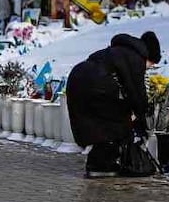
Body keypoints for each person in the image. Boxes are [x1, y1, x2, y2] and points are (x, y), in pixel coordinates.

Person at [66, 31, 161, 177]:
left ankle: (98, 164)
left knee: (97, 122)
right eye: (152, 63)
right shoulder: (135, 58)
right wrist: (141, 115)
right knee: (117, 121)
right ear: (149, 56)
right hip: (96, 85)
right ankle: (102, 165)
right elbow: (136, 90)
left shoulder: (118, 52)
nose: (149, 67)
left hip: (77, 79)